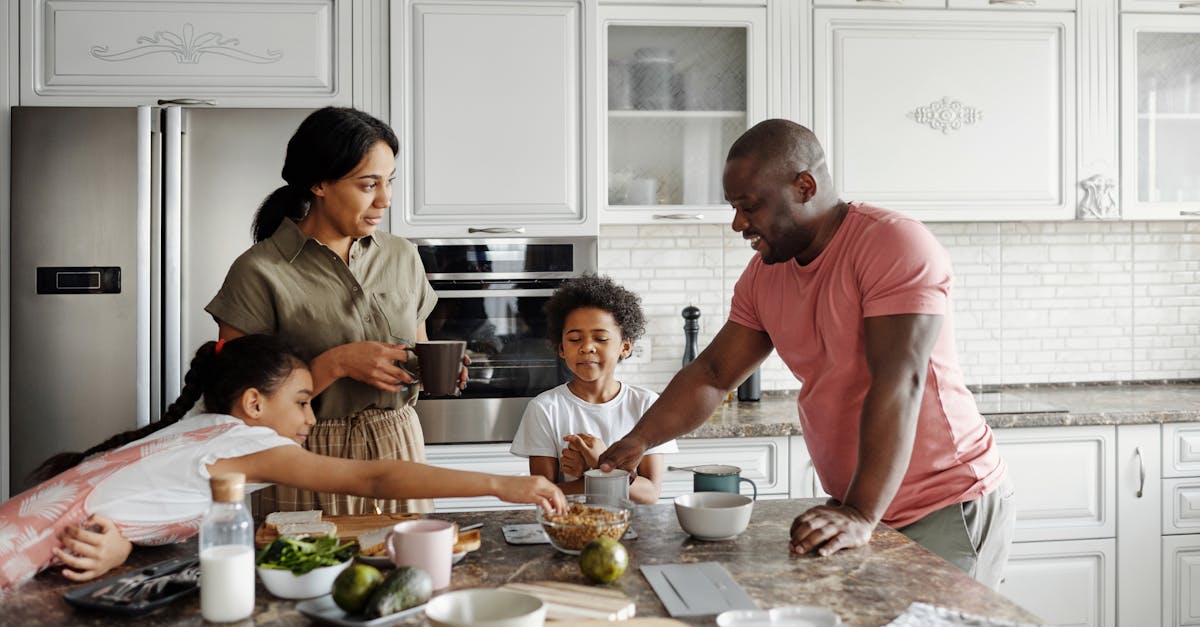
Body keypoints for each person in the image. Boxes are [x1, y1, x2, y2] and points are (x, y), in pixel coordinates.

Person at [596, 119, 1014, 588]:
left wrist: (859, 511)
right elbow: (713, 374)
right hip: (857, 507)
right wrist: (639, 440)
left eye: (748, 206)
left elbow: (899, 381)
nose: (738, 223)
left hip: (942, 503)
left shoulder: (892, 244)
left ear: (804, 186)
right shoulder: (764, 274)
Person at [0, 335, 565, 593]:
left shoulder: (199, 431)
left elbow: (134, 505)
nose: (311, 419)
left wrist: (121, 546)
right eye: (301, 401)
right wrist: (502, 482)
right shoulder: (242, 442)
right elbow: (372, 477)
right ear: (252, 404)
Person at [206, 106, 461, 515]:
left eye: (389, 182)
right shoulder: (258, 271)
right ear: (319, 183)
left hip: (398, 445)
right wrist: (337, 363)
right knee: (310, 574)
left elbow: (417, 349)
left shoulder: (402, 256)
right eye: (368, 184)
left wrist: (430, 368)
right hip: (307, 457)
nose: (386, 199)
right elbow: (238, 406)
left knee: (409, 574)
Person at [510, 275, 676, 504]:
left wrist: (599, 464)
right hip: (571, 531)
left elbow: (649, 494)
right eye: (575, 339)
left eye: (600, 338)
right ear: (561, 348)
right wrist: (598, 474)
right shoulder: (544, 408)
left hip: (634, 530)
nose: (587, 347)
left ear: (625, 347)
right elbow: (543, 495)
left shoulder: (647, 404)